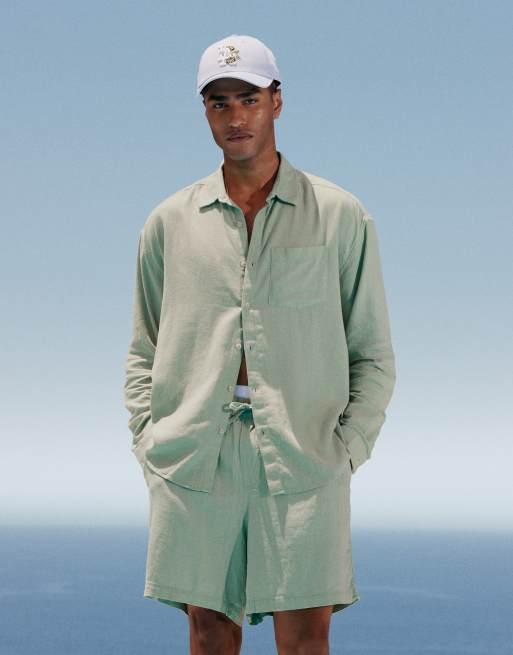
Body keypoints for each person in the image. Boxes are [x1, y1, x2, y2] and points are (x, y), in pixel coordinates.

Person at [123, 33, 396, 655]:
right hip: (194, 455)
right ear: (204, 111)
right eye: (219, 102)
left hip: (304, 452)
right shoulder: (168, 222)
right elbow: (144, 347)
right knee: (208, 634)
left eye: (248, 98)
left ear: (277, 100)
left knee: (305, 638)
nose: (235, 116)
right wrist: (149, 438)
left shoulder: (339, 215)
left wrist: (347, 449)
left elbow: (372, 351)